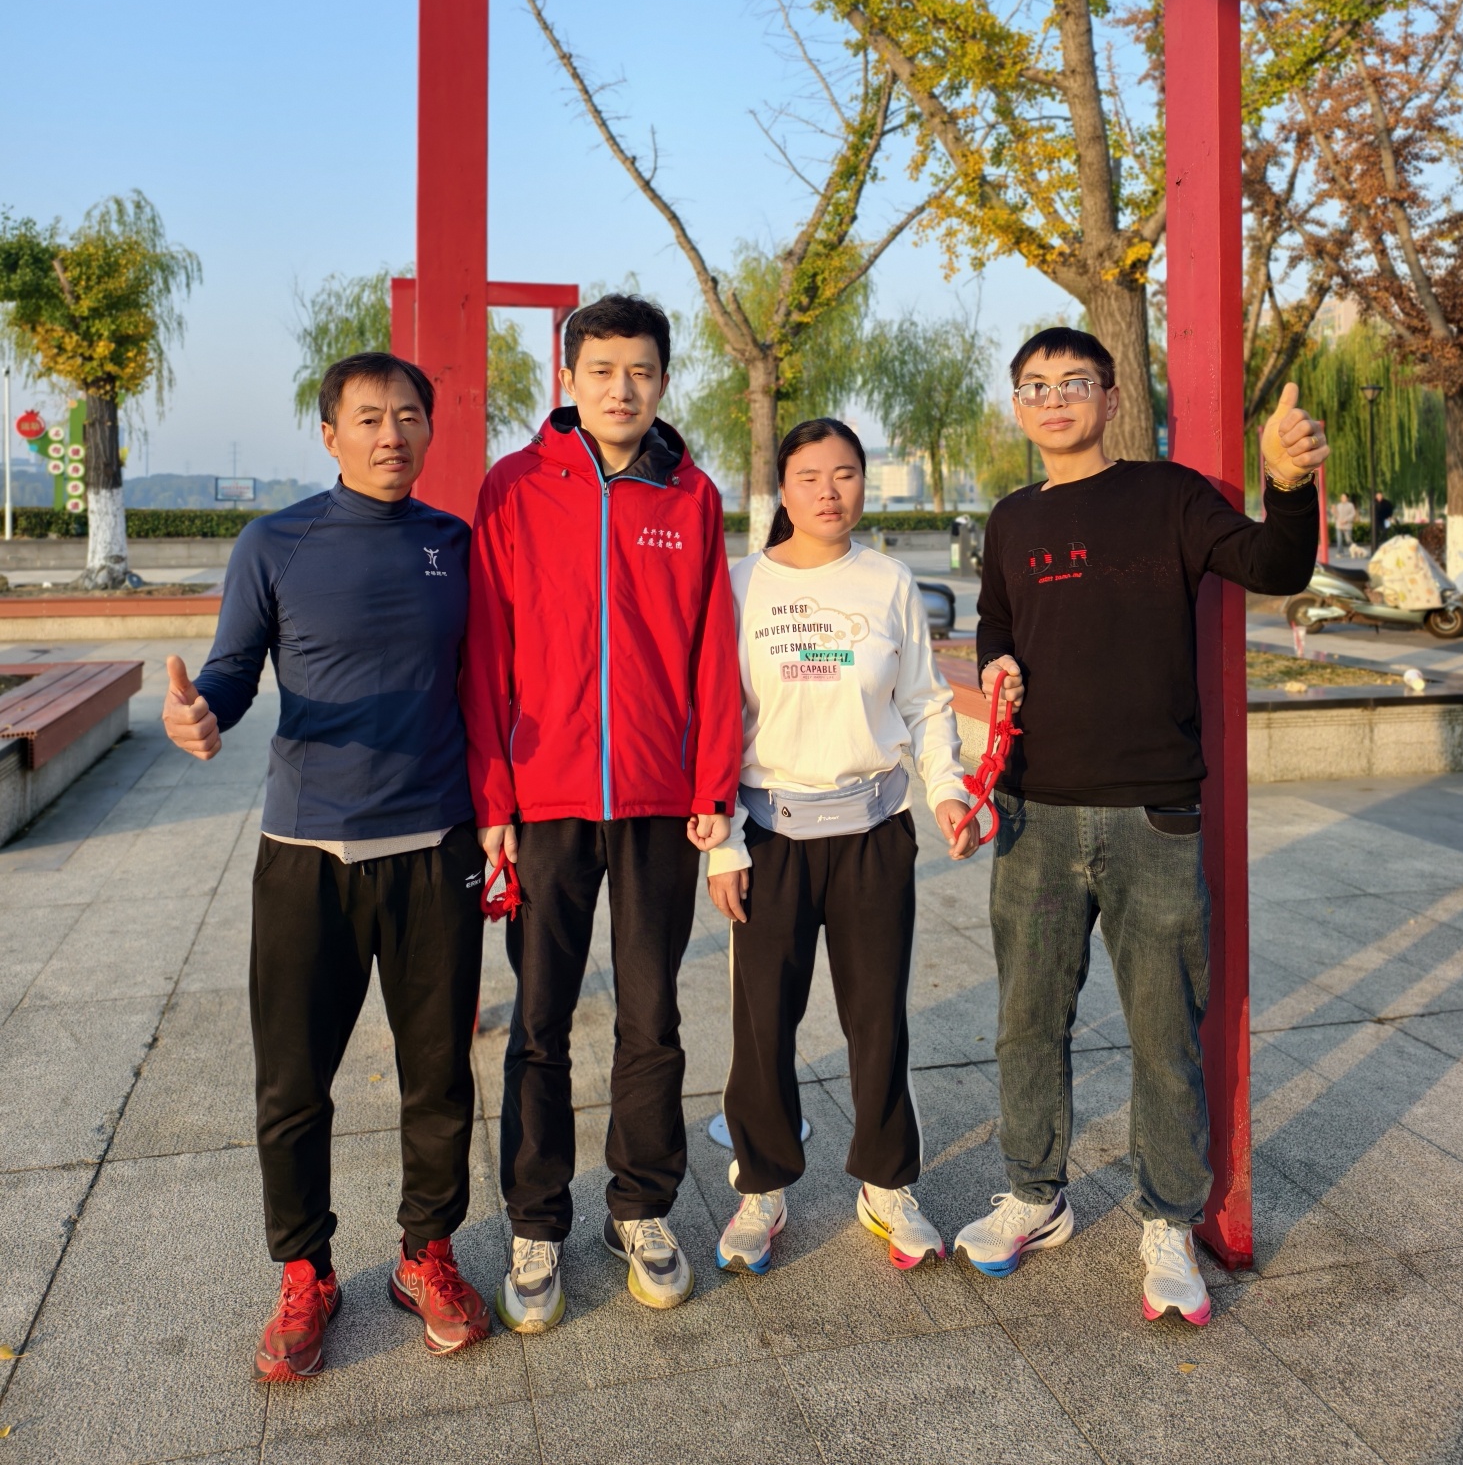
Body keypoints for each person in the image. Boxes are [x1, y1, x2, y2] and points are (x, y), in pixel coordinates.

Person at [953, 327, 1325, 1328]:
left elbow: (1275, 563)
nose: (1054, 398)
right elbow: (995, 620)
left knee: (1164, 1032)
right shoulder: (1012, 518)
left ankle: (1168, 1218)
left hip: (1152, 815)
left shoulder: (1168, 495)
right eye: (1035, 386)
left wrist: (1288, 484)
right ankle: (1034, 1193)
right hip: (1032, 812)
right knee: (1028, 1020)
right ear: (1018, 405)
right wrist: (993, 661)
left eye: (1074, 381)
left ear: (1111, 396)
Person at [160, 353, 491, 1382]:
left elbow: (492, 679)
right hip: (309, 855)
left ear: (430, 428)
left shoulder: (455, 544)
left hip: (436, 847)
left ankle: (426, 1253)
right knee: (294, 1081)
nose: (392, 433)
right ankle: (306, 1270)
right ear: (330, 433)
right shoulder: (276, 542)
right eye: (370, 416)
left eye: (409, 415)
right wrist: (203, 711)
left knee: (439, 1073)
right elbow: (232, 667)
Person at [462, 293, 741, 1334]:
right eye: (603, 370)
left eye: (642, 371)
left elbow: (713, 650)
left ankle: (641, 1206)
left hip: (663, 799)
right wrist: (494, 797)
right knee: (539, 1019)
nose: (623, 389)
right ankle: (537, 1220)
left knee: (651, 1013)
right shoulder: (515, 486)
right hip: (546, 797)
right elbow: (485, 649)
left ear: (664, 381)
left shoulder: (692, 494)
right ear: (567, 377)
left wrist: (713, 786)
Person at [705, 420, 977, 1277]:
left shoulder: (888, 581)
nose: (829, 491)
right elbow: (714, 720)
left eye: (847, 474)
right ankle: (762, 1186)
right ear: (782, 488)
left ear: (864, 482)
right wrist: (722, 843)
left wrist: (946, 788)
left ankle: (886, 1184)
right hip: (770, 838)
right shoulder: (740, 584)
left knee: (876, 1018)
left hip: (872, 835)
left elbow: (927, 703)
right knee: (763, 1024)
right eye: (810, 475)